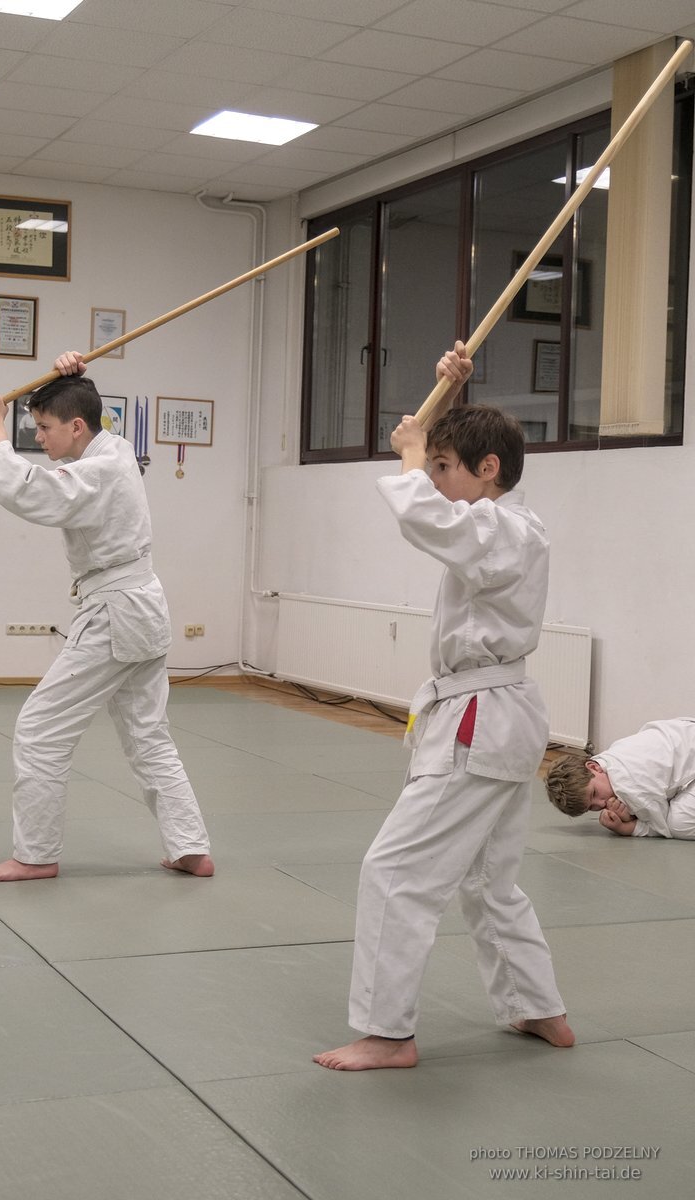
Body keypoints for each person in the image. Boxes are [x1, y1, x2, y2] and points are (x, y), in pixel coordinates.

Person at [314, 342, 573, 1071]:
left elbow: (430, 520)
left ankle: (388, 1033)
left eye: (444, 468)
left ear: (487, 470)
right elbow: (443, 517)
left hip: (479, 721)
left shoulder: (502, 528)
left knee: (395, 871)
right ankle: (538, 1007)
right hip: (494, 715)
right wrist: (449, 391)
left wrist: (409, 452)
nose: (432, 480)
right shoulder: (510, 528)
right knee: (490, 881)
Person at [0, 351, 214, 882]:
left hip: (116, 612)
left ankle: (34, 854)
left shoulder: (98, 470)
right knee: (149, 735)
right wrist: (71, 374)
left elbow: (35, 495)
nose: (41, 440)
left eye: (45, 429)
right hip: (141, 607)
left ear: (77, 426)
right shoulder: (114, 449)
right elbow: (62, 462)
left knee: (40, 729)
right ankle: (190, 846)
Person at [545, 718, 695, 839]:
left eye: (594, 793)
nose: (601, 803)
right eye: (591, 807)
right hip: (687, 730)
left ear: (593, 767)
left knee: (678, 824)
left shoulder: (627, 785)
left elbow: (663, 828)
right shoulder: (608, 759)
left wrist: (628, 826)